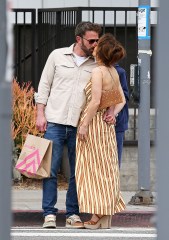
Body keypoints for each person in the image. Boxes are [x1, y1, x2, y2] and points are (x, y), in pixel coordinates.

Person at [35, 21, 102, 229]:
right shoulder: (57, 56)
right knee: (50, 170)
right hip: (54, 120)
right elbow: (44, 85)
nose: (95, 44)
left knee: (77, 171)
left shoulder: (97, 64)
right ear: (78, 39)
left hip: (80, 125)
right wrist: (40, 113)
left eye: (97, 40)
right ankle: (49, 214)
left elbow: (107, 89)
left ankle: (73, 213)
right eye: (92, 40)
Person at [75, 33, 126, 230]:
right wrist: (113, 114)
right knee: (106, 169)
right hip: (107, 127)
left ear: (100, 50)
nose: (94, 47)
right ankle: (104, 213)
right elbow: (121, 100)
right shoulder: (112, 71)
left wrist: (85, 124)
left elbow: (95, 101)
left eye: (97, 45)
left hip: (94, 124)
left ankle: (97, 215)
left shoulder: (98, 72)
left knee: (91, 170)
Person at [115, 64, 129, 168]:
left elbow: (124, 96)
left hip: (117, 122)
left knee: (115, 161)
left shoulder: (119, 71)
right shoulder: (92, 67)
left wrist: (113, 113)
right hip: (97, 123)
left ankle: (113, 184)